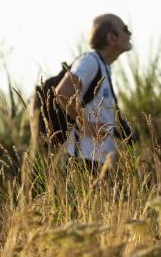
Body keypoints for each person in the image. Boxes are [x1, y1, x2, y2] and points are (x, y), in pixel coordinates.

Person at [55, 14, 132, 175]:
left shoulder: (103, 66)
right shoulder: (90, 62)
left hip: (97, 160)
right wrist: (87, 124)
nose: (129, 34)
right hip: (84, 160)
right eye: (125, 29)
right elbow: (63, 92)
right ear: (111, 38)